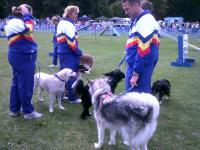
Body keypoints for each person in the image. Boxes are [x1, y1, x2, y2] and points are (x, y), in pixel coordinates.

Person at [4, 4, 42, 119]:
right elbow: (29, 29)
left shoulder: (14, 21)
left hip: (17, 55)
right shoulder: (19, 22)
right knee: (25, 84)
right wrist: (27, 15)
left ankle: (14, 109)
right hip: (23, 56)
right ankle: (28, 112)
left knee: (16, 83)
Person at [121, 0, 160, 93]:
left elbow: (144, 49)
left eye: (127, 9)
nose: (125, 12)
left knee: (136, 100)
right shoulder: (139, 20)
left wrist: (136, 73)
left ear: (135, 5)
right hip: (136, 64)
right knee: (133, 98)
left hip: (140, 67)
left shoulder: (146, 21)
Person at [56, 5, 82, 103]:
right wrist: (79, 52)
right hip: (69, 54)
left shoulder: (61, 23)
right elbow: (71, 43)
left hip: (62, 53)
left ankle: (60, 95)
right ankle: (72, 98)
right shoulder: (69, 24)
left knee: (61, 75)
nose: (77, 16)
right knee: (72, 75)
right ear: (70, 14)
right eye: (75, 13)